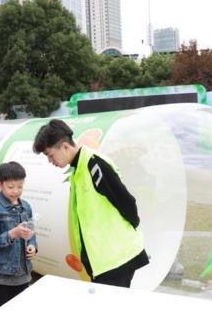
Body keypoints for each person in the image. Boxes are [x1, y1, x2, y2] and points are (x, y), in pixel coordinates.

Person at [33, 119, 149, 287]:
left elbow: (127, 202)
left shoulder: (93, 164)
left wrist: (130, 228)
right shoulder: (78, 169)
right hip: (103, 261)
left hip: (116, 260)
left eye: (50, 155)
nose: (50, 161)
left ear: (65, 147)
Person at [0, 161, 37, 312]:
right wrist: (13, 234)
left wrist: (32, 246)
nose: (16, 191)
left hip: (23, 274)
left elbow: (31, 233)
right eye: (11, 187)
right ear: (0, 185)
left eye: (20, 186)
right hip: (1, 277)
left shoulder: (26, 207)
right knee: (2, 313)